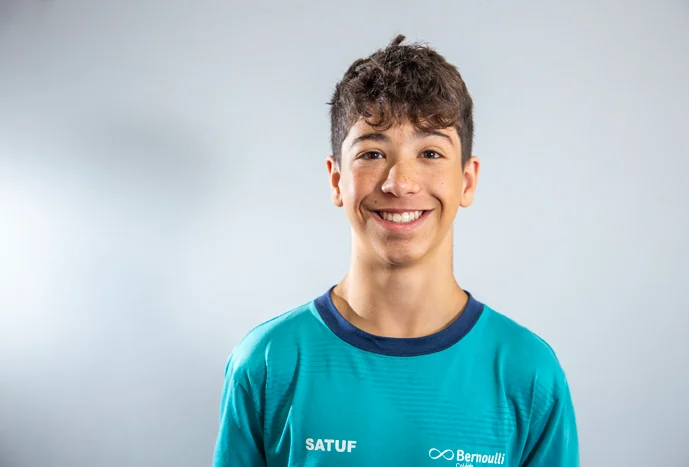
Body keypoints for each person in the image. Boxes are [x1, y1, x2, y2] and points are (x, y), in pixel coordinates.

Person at [212, 34, 579, 467]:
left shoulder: (528, 374)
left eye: (430, 153)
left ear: (467, 181)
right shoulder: (268, 364)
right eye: (371, 153)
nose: (400, 183)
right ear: (336, 180)